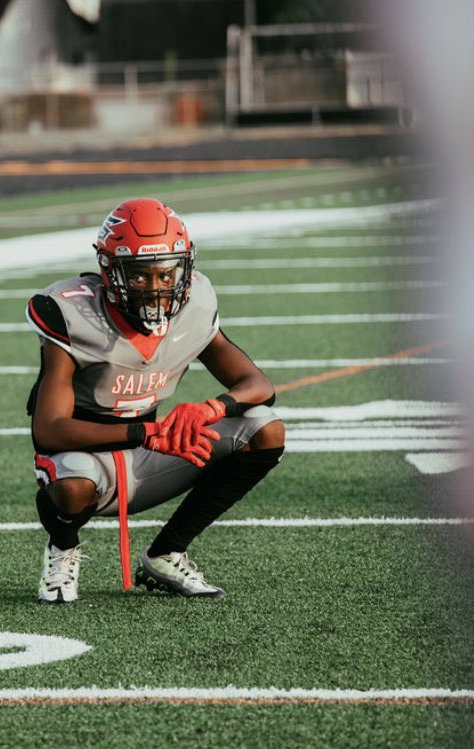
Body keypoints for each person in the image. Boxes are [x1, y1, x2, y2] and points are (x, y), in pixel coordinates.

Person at [25, 197, 286, 603]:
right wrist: (145, 432)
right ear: (109, 270)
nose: (155, 286)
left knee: (265, 428)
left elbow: (257, 384)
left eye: (166, 273)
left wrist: (209, 408)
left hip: (152, 446)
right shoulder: (71, 311)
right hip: (84, 456)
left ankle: (167, 552)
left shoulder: (195, 304)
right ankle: (63, 548)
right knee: (73, 488)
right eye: (140, 275)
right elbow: (50, 430)